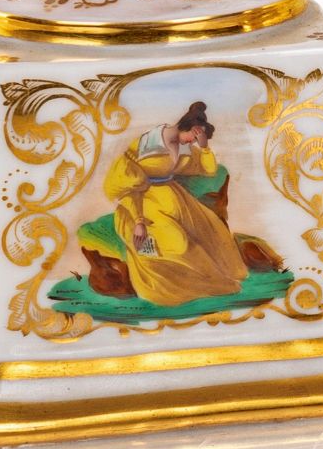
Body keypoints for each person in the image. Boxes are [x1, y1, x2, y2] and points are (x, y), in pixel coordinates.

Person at [98, 100, 252, 308]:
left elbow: (208, 169)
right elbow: (127, 187)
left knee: (211, 230)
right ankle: (185, 288)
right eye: (194, 137)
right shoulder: (146, 144)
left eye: (197, 140)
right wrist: (139, 221)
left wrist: (204, 147)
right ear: (189, 127)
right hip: (143, 204)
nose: (193, 143)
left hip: (176, 200)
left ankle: (221, 276)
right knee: (178, 245)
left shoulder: (183, 147)